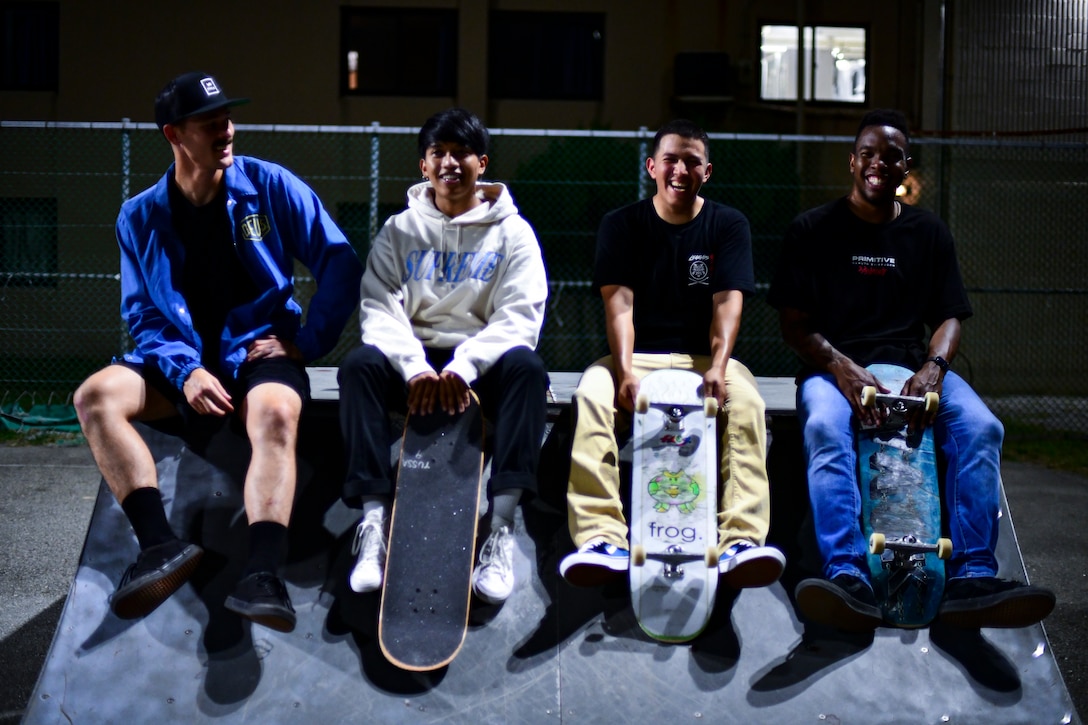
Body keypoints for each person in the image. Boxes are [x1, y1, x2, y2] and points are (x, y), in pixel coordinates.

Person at [73, 72, 363, 633]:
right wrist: (184, 372)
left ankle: (263, 573)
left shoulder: (269, 186)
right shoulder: (139, 216)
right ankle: (159, 547)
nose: (226, 130)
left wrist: (306, 341)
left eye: (227, 118)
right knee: (95, 397)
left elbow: (340, 262)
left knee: (277, 412)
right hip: (181, 363)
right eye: (210, 123)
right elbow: (142, 314)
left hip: (258, 353)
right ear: (173, 135)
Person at [767, 108, 1056, 632]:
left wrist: (933, 369)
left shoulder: (927, 233)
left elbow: (949, 316)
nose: (879, 163)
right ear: (853, 162)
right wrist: (840, 366)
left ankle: (971, 576)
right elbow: (794, 325)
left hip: (909, 366)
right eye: (869, 154)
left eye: (892, 156)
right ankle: (846, 573)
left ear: (906, 168)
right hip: (835, 369)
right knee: (822, 427)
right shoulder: (812, 230)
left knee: (982, 427)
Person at [558, 119, 785, 590]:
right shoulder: (621, 224)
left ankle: (739, 541)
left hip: (703, 359)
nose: (680, 170)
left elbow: (728, 303)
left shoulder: (727, 224)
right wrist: (622, 371)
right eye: (671, 160)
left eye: (691, 162)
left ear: (707, 171)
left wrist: (720, 367)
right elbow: (619, 304)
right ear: (652, 167)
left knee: (748, 404)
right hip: (637, 354)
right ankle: (602, 537)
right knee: (592, 394)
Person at [338, 107, 548, 605]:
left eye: (462, 153)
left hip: (481, 361)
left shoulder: (513, 233)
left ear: (482, 162)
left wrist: (466, 366)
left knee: (528, 370)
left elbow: (521, 314)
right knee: (359, 366)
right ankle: (372, 525)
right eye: (439, 153)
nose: (450, 163)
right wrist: (413, 368)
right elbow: (378, 305)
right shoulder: (399, 230)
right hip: (415, 357)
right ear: (424, 166)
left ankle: (500, 529)